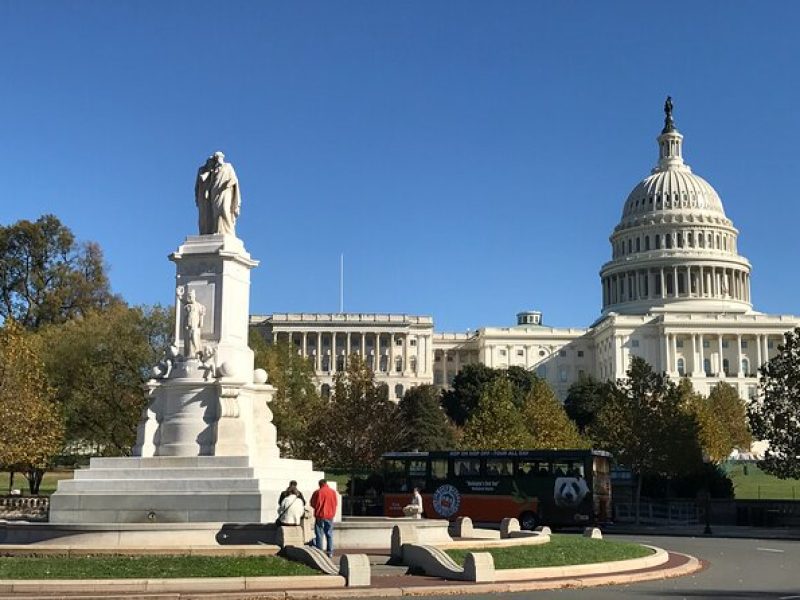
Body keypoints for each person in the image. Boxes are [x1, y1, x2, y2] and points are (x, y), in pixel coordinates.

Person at [208, 151, 241, 236]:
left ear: (222, 157)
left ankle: (229, 231)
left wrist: (227, 185)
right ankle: (218, 230)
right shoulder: (214, 169)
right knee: (216, 212)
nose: (217, 159)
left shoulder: (228, 166)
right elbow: (211, 182)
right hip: (215, 192)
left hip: (225, 191)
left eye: (218, 157)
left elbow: (234, 179)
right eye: (216, 158)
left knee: (225, 210)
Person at [310, 479, 337, 558]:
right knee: (329, 534)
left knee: (319, 533)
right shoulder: (332, 492)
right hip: (330, 515)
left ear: (320, 484)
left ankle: (320, 551)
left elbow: (312, 503)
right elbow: (335, 503)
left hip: (320, 515)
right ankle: (330, 552)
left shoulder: (317, 492)